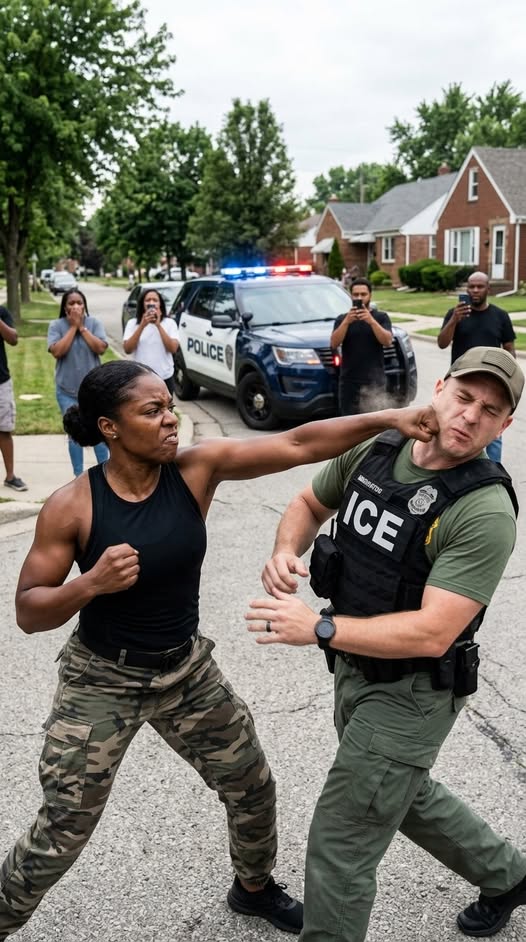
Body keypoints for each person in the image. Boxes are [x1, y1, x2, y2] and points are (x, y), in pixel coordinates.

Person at [0, 359, 438, 940]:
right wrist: (88, 585)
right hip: (102, 679)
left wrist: (393, 418)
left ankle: (252, 887)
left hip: (185, 671)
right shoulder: (72, 506)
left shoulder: (196, 470)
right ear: (109, 428)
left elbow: (298, 443)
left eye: (169, 406)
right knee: (64, 826)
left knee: (251, 785)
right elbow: (29, 610)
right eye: (151, 411)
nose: (170, 420)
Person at [248, 346, 526, 942]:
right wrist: (284, 550)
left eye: (491, 409)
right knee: (401, 793)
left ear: (505, 426)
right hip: (355, 671)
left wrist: (318, 627)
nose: (470, 415)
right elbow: (307, 502)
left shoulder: (483, 508)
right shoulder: (380, 445)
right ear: (441, 385)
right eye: (464, 396)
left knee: (341, 842)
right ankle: (508, 875)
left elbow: (433, 631)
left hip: (412, 695)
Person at [437, 271, 516, 462]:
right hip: (460, 383)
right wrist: (454, 320)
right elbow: (442, 342)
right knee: (452, 427)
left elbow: (509, 349)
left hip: (491, 386)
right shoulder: (455, 313)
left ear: (488, 289)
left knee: (491, 434)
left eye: (479, 286)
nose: (474, 290)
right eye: (471, 286)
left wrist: (508, 378)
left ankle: (491, 472)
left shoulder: (500, 316)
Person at [47, 288, 109, 477]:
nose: (75, 306)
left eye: (79, 303)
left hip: (93, 391)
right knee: (74, 435)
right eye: (71, 303)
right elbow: (58, 351)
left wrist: (82, 327)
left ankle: (106, 473)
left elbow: (100, 348)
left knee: (98, 430)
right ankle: (78, 476)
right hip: (66, 391)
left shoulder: (94, 323)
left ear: (84, 306)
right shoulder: (56, 325)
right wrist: (73, 327)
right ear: (64, 307)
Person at [330, 277, 393, 416]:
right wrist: (346, 322)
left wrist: (371, 321)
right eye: (356, 294)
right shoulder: (342, 319)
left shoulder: (381, 317)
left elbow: (387, 341)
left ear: (370, 295)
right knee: (348, 422)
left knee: (375, 422)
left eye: (363, 294)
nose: (359, 297)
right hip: (349, 381)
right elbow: (334, 343)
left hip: (374, 381)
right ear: (351, 295)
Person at [122, 288, 179, 394]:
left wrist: (158, 325)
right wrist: (142, 325)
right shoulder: (132, 323)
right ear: (142, 304)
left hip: (164, 376)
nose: (151, 303)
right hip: (141, 378)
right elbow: (127, 349)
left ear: (160, 304)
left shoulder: (169, 323)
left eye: (155, 300)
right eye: (148, 300)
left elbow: (173, 348)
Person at [0, 305, 27, 492]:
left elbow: (13, 339)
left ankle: (10, 477)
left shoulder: (1, 312)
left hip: (1, 381)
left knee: (4, 429)